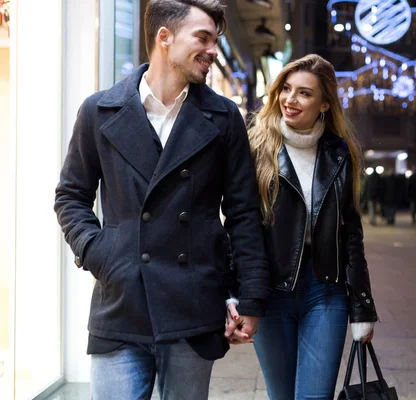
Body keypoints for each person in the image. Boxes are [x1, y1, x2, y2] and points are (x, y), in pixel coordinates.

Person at [54, 1, 269, 399]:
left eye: (216, 40)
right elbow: (71, 196)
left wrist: (249, 296)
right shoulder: (99, 111)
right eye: (202, 38)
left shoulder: (223, 118)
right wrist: (101, 252)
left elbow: (243, 213)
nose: (213, 51)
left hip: (193, 303)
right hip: (120, 303)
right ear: (164, 38)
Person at [227, 54, 378, 400]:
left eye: (304, 93)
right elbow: (240, 226)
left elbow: (350, 231)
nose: (290, 100)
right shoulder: (256, 148)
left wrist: (362, 306)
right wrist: (238, 292)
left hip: (325, 291)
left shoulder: (340, 154)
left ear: (324, 104)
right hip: (271, 289)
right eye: (286, 89)